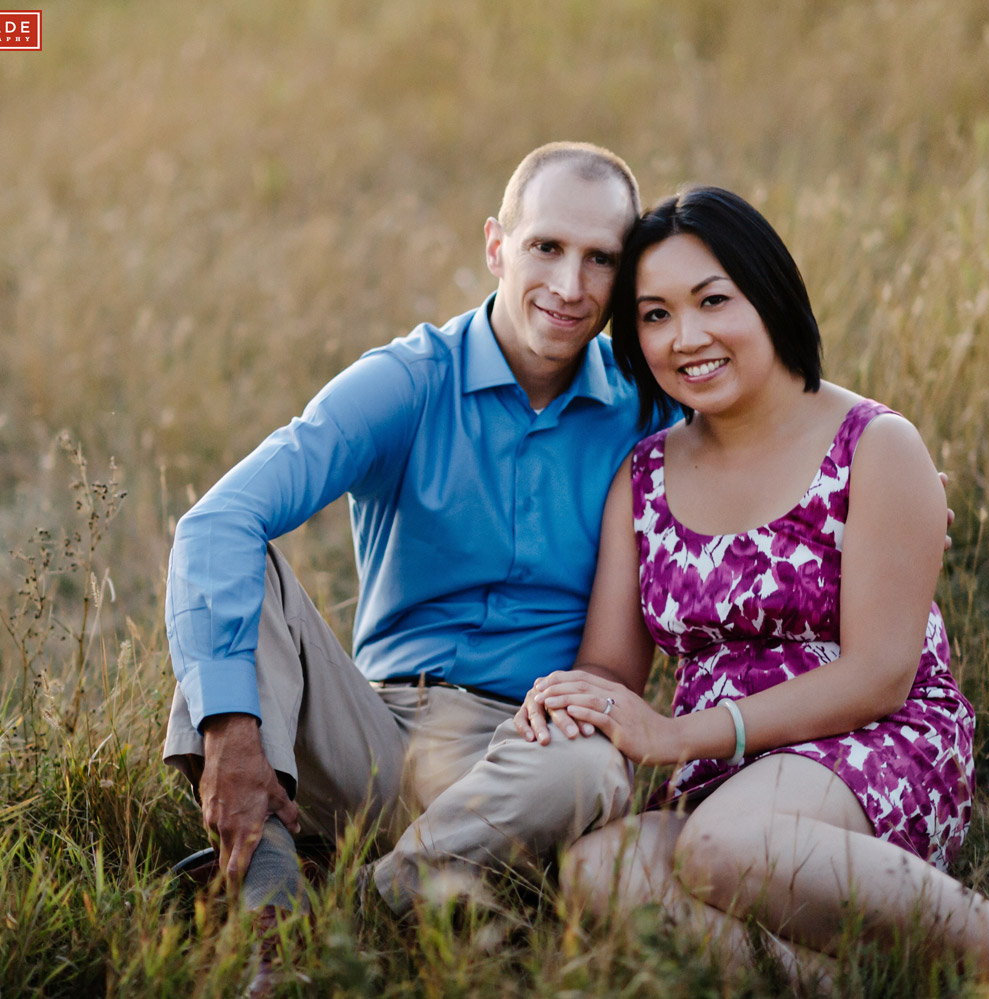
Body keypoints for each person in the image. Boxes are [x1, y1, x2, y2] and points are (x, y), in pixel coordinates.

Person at [520, 187, 989, 996]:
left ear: (771, 297)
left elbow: (878, 674)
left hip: (877, 744)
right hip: (726, 773)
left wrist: (679, 736)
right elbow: (612, 662)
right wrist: (579, 699)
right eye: (655, 315)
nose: (688, 337)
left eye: (714, 300)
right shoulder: (643, 476)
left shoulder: (876, 444)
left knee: (723, 847)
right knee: (599, 870)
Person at [162, 142, 657, 938]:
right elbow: (219, 520)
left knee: (589, 767)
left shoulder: (649, 410)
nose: (570, 286)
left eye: (601, 260)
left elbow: (774, 432)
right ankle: (274, 870)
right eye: (546, 248)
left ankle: (344, 909)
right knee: (236, 572)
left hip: (530, 750)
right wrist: (231, 730)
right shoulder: (410, 379)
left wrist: (882, 476)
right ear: (497, 245)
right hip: (377, 735)